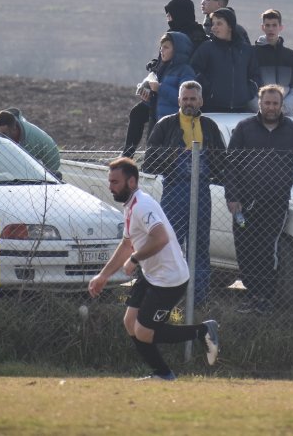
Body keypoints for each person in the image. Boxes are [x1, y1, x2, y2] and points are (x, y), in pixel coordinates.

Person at [88, 157, 220, 380]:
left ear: (131, 182)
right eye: (110, 181)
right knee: (130, 323)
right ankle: (163, 374)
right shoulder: (131, 206)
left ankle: (203, 331)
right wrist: (103, 275)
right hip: (151, 276)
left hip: (170, 279)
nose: (110, 187)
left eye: (115, 182)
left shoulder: (143, 205)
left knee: (144, 332)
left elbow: (160, 238)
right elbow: (127, 244)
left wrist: (135, 259)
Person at [226, 85, 293, 313]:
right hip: (244, 204)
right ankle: (252, 297)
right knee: (245, 250)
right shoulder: (244, 129)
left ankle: (264, 299)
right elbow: (230, 166)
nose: (271, 107)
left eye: (275, 103)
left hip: (276, 203)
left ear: (281, 106)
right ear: (260, 104)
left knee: (266, 250)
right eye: (267, 103)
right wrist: (232, 197)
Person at [144, 81, 226, 306]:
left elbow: (223, 162)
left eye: (193, 99)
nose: (189, 103)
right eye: (185, 99)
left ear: (200, 101)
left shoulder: (209, 126)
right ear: (179, 100)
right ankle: (162, 297)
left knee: (199, 247)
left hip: (201, 193)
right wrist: (176, 155)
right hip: (174, 191)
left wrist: (207, 158)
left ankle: (198, 300)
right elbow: (149, 162)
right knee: (168, 245)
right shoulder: (165, 125)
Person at [121, 0, 207, 158]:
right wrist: (149, 84)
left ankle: (134, 157)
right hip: (161, 92)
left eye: (170, 16)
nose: (168, 20)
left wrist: (159, 87)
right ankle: (127, 155)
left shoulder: (196, 38)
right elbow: (160, 67)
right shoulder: (172, 37)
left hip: (178, 97)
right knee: (138, 114)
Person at [190, 7, 261, 113]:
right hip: (211, 109)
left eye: (219, 24)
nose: (214, 28)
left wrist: (247, 93)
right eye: (213, 24)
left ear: (230, 26)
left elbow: (256, 75)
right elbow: (194, 71)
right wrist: (208, 90)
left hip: (241, 109)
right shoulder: (206, 48)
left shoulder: (246, 50)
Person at [0, 109, 60, 176]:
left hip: (25, 182)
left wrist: (48, 177)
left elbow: (52, 155)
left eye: (3, 133)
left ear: (14, 129)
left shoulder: (37, 138)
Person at [254, 9, 293, 117]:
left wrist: (282, 108)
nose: (271, 29)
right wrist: (263, 108)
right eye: (267, 25)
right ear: (262, 27)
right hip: (257, 116)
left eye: (274, 25)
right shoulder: (251, 54)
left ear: (280, 27)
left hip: (287, 116)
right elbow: (247, 89)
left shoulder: (291, 56)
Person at [151, 33, 197, 122]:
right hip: (161, 124)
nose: (161, 50)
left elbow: (186, 99)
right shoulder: (162, 70)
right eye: (161, 47)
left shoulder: (186, 71)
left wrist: (159, 88)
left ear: (177, 50)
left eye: (166, 47)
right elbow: (160, 103)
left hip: (177, 124)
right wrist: (148, 97)